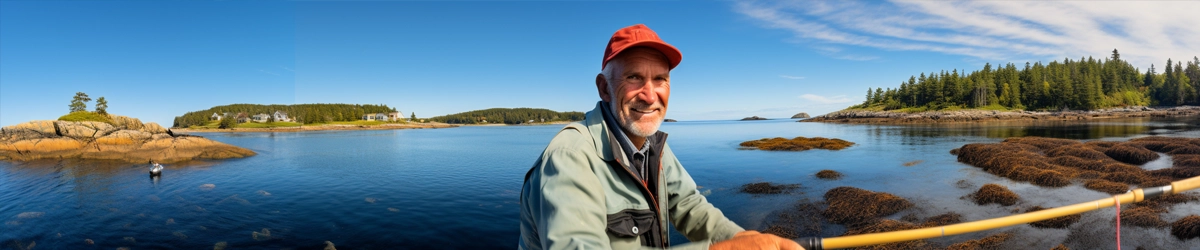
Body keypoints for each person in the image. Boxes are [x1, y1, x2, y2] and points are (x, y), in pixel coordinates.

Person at [519, 24, 803, 250]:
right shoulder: (569, 157)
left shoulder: (652, 145)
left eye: (660, 79)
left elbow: (690, 206)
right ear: (604, 88)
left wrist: (744, 239)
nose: (650, 94)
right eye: (633, 78)